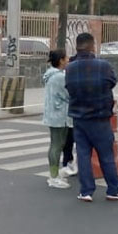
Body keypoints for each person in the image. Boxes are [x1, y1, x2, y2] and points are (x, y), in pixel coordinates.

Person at [64, 32, 118, 202]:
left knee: (83, 154)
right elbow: (111, 82)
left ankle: (86, 191)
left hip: (79, 117)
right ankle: (113, 189)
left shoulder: (70, 68)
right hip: (100, 117)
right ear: (92, 45)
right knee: (106, 155)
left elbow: (68, 88)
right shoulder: (103, 65)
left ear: (77, 46)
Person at [43, 49, 74, 189]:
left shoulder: (51, 75)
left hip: (53, 114)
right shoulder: (60, 77)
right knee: (57, 145)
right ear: (61, 60)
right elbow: (68, 94)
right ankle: (53, 176)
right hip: (59, 115)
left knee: (56, 145)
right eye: (66, 58)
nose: (68, 60)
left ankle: (54, 175)